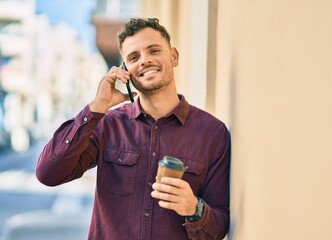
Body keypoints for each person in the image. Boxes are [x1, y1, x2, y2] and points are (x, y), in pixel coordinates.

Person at [36, 18, 231, 240]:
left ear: (174, 56)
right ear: (125, 71)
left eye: (154, 50)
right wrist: (97, 106)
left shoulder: (212, 134)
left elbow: (219, 226)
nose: (145, 61)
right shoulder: (107, 125)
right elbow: (48, 173)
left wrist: (194, 209)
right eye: (133, 57)